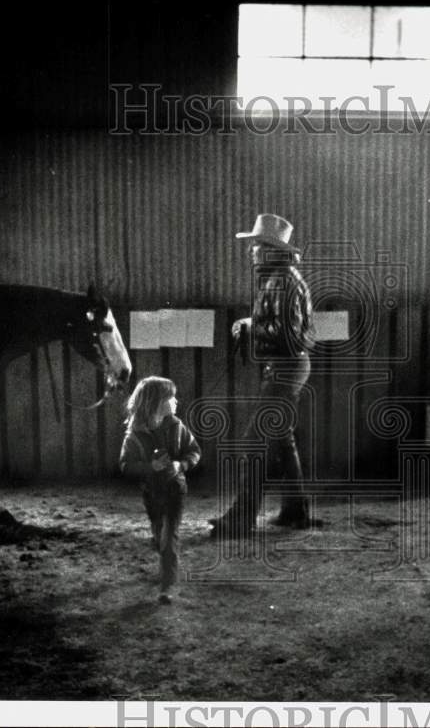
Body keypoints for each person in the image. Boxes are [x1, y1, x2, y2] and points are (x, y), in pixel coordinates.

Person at [210, 213, 315, 536]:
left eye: (256, 245)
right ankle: (296, 512)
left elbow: (289, 334)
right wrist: (250, 322)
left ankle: (240, 521)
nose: (251, 251)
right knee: (282, 440)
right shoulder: (279, 279)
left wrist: (251, 326)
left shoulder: (281, 281)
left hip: (286, 368)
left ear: (272, 250)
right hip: (288, 367)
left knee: (254, 441)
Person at [119, 376, 201, 604]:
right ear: (155, 402)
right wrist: (149, 467)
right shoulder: (134, 435)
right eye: (171, 397)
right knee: (159, 534)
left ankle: (166, 587)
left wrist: (181, 465)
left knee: (169, 535)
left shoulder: (176, 426)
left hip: (176, 489)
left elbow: (194, 450)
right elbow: (125, 465)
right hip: (151, 494)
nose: (176, 401)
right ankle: (166, 561)